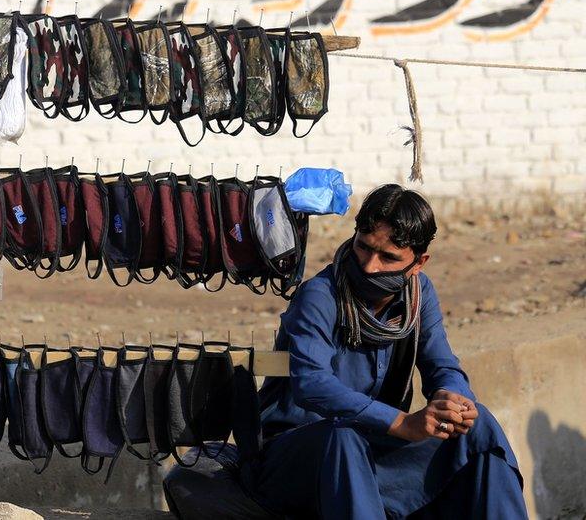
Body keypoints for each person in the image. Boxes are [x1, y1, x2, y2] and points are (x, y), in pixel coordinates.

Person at [163, 184, 527, 519]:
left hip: (373, 453)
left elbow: (442, 364)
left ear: (418, 264)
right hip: (296, 459)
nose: (370, 265)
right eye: (364, 246)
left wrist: (452, 398)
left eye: (388, 257)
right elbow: (313, 384)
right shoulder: (319, 295)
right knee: (343, 437)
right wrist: (402, 423)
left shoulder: (420, 294)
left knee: (478, 426)